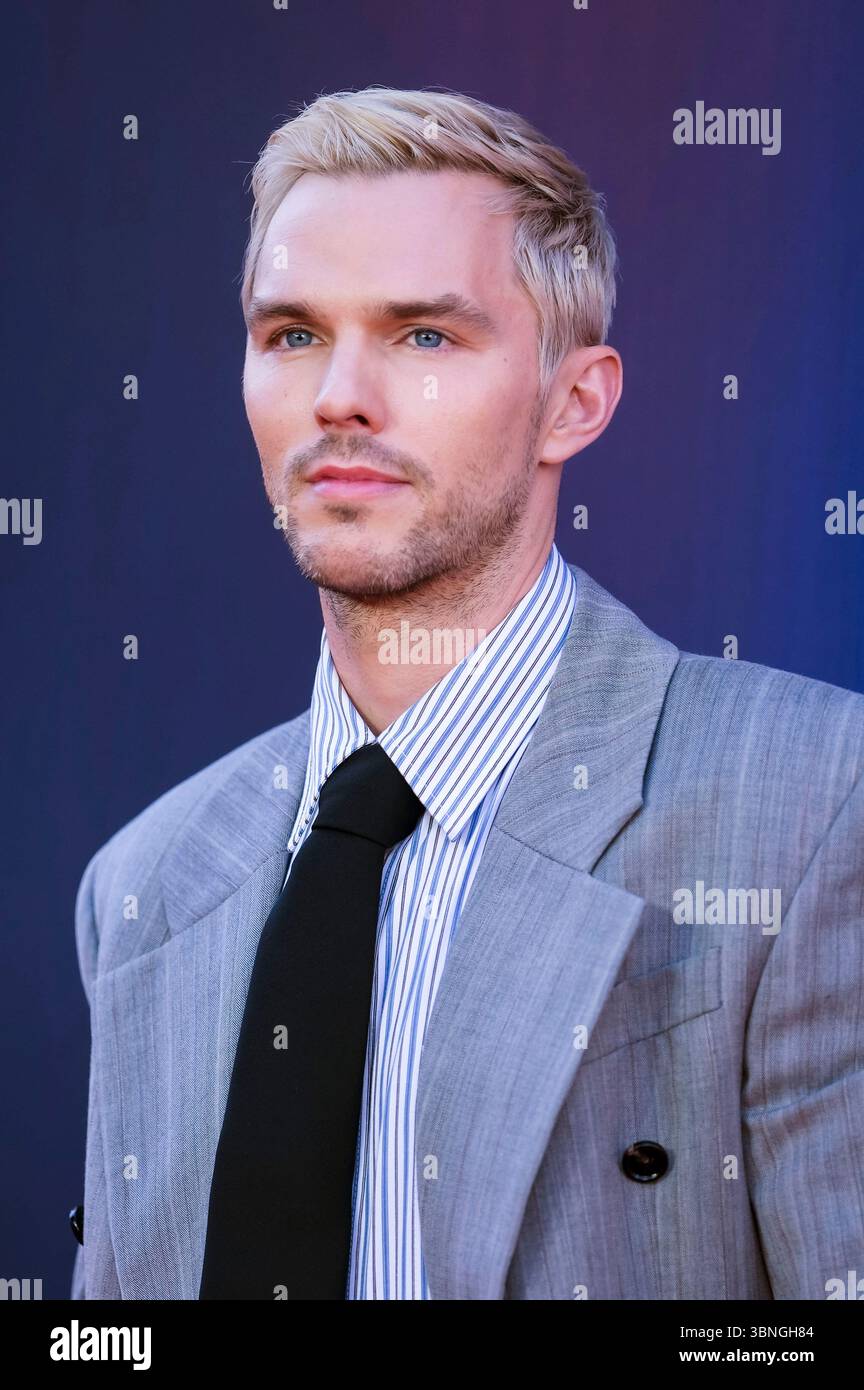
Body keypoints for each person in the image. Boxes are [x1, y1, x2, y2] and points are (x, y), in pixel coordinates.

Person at [70, 85, 864, 1301]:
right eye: (292, 335)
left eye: (424, 335)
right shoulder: (143, 888)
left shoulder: (815, 802)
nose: (340, 394)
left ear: (575, 400)